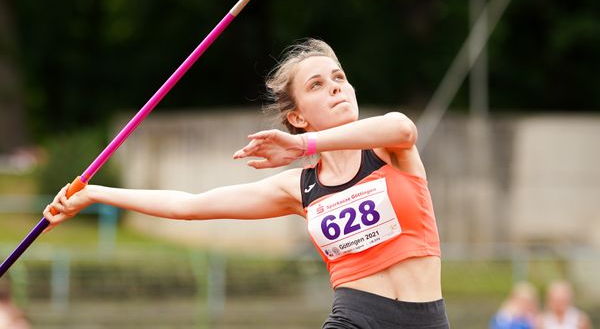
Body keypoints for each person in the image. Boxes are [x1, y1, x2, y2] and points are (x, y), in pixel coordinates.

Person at [44, 38, 450, 328]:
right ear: (297, 115)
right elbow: (188, 206)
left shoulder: (388, 149)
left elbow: (403, 127)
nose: (335, 87)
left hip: (427, 317)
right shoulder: (300, 188)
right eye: (317, 85)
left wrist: (301, 145)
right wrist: (96, 193)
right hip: (355, 316)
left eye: (339, 77)